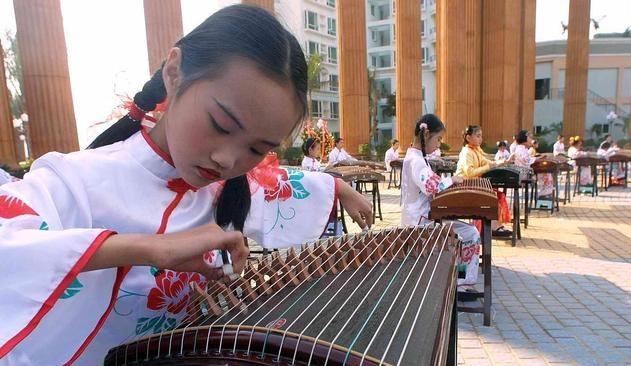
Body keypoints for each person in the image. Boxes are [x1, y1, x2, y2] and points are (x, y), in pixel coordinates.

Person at [0, 6, 373, 365]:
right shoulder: (76, 179)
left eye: (258, 148)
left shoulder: (223, 188)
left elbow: (272, 180)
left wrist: (339, 188)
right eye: (221, 125)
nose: (228, 160)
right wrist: (150, 249)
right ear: (174, 72)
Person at [400, 114, 480, 290]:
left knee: (466, 230)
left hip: (421, 219)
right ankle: (462, 282)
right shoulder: (416, 161)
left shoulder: (416, 158)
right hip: (420, 223)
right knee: (471, 233)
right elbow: (432, 186)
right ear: (426, 134)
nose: (438, 144)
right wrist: (453, 180)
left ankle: (458, 278)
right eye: (437, 139)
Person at [455, 125, 511, 236]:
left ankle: (494, 226)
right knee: (493, 196)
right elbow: (469, 172)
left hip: (473, 186)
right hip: (464, 187)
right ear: (468, 138)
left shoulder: (476, 150)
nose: (481, 139)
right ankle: (491, 228)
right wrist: (488, 167)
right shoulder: (466, 152)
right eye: (478, 136)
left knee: (498, 195)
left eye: (481, 136)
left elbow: (489, 162)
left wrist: (506, 161)